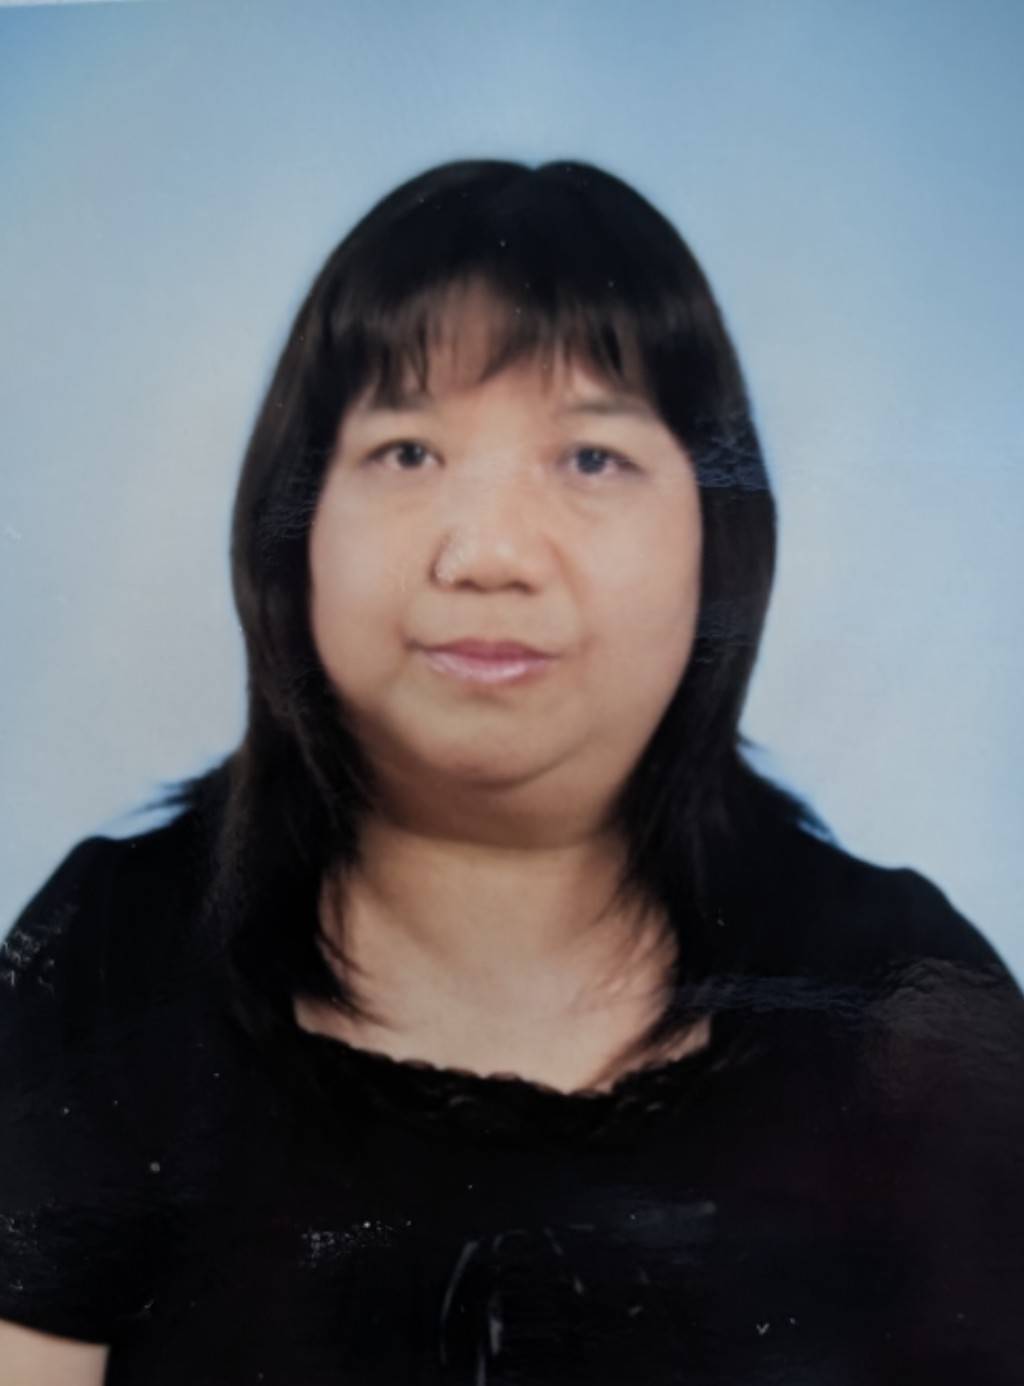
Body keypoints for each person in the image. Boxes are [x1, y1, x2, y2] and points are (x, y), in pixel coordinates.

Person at [1, 158, 1022, 1386]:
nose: (486, 554)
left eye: (590, 458)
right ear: (292, 524)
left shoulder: (903, 1001)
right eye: (407, 452)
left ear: (718, 538)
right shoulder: (109, 958)